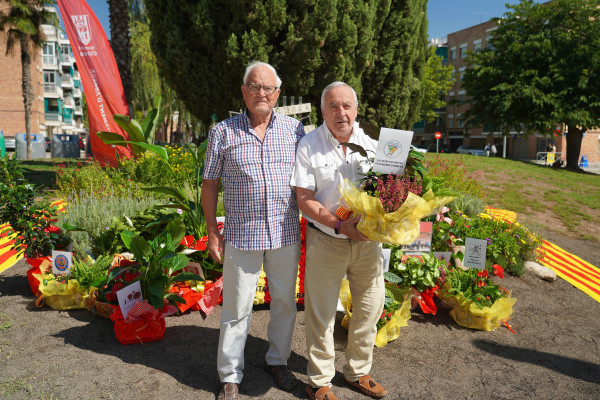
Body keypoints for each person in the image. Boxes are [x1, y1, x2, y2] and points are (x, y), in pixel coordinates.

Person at [201, 61, 305, 400]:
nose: (262, 93)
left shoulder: (295, 131)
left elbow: (312, 177)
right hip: (242, 236)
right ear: (244, 92)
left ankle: (277, 361)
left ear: (277, 94)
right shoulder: (223, 132)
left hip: (284, 234)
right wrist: (212, 231)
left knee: (285, 303)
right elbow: (209, 184)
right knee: (236, 307)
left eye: (268, 88)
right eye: (255, 87)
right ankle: (230, 376)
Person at [291, 82, 387, 400]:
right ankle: (318, 382)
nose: (340, 111)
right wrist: (337, 224)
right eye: (333, 105)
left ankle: (357, 371)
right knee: (320, 313)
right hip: (326, 241)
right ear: (323, 111)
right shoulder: (309, 145)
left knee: (370, 308)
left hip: (367, 244)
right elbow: (304, 199)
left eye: (346, 105)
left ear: (356, 110)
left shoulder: (373, 145)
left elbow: (388, 191)